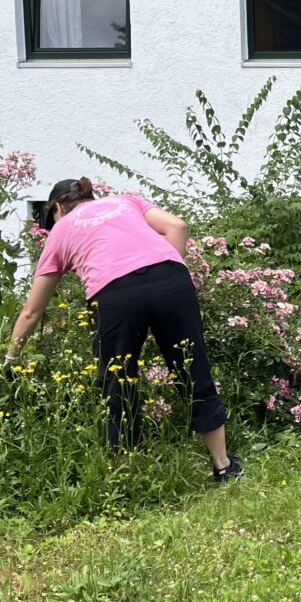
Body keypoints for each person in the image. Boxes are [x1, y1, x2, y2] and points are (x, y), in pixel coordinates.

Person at [2, 178, 242, 482]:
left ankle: (129, 475)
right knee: (192, 369)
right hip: (171, 280)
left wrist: (11, 358)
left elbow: (32, 310)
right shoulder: (125, 201)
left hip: (115, 294)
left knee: (117, 381)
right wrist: (168, 274)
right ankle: (223, 466)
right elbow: (177, 227)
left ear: (59, 208)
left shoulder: (61, 229)